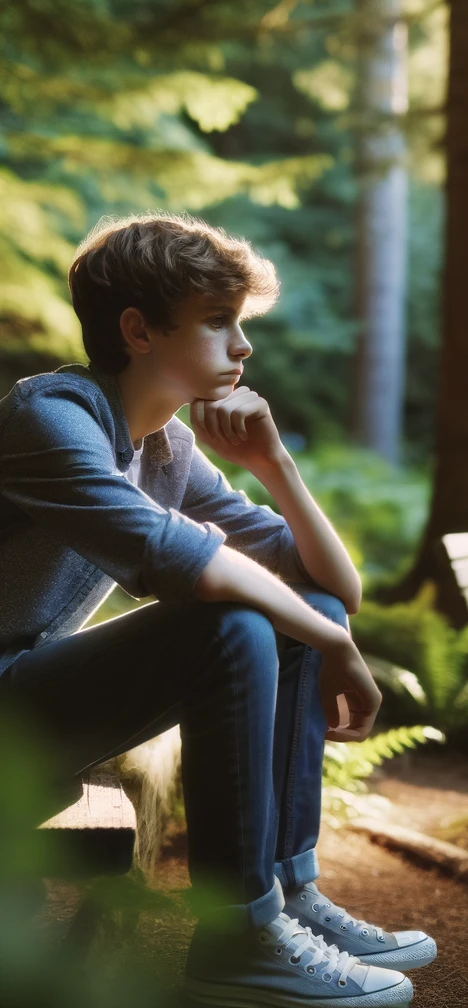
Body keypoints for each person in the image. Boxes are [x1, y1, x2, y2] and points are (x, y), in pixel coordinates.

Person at [0, 213, 434, 1006]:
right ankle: (239, 935)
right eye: (217, 322)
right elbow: (198, 571)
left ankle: (284, 891)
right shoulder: (49, 421)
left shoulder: (165, 449)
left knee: (301, 602)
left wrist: (275, 464)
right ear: (138, 330)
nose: (243, 346)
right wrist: (333, 643)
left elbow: (332, 584)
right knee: (229, 620)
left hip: (25, 705)